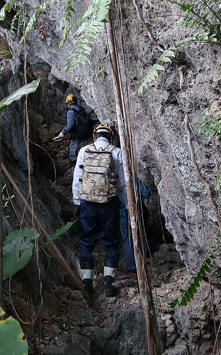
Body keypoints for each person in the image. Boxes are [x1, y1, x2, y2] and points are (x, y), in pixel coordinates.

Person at [72, 123, 124, 298]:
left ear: (95, 136)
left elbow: (77, 179)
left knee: (87, 242)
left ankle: (87, 284)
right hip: (109, 203)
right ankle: (109, 284)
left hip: (88, 203)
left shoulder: (84, 151)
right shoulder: (116, 152)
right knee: (111, 242)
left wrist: (77, 202)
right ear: (110, 137)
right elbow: (123, 181)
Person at [119, 177, 151, 272]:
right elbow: (146, 193)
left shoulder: (114, 180)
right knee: (141, 232)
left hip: (122, 215)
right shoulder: (133, 178)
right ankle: (144, 257)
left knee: (127, 239)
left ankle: (132, 266)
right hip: (137, 212)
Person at [53, 93, 91, 163]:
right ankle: (81, 158)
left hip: (76, 134)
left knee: (73, 147)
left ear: (68, 104)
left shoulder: (70, 112)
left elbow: (70, 125)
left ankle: (74, 161)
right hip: (85, 133)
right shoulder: (82, 109)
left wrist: (63, 132)